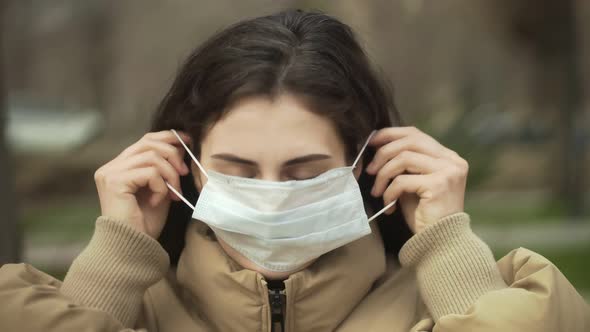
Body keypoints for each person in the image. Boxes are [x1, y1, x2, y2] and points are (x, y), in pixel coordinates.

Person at [0, 9, 588, 332]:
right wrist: (115, 258)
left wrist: (447, 247)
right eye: (237, 168)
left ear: (367, 164)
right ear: (186, 164)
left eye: (305, 171)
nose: (271, 197)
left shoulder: (453, 303)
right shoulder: (139, 309)